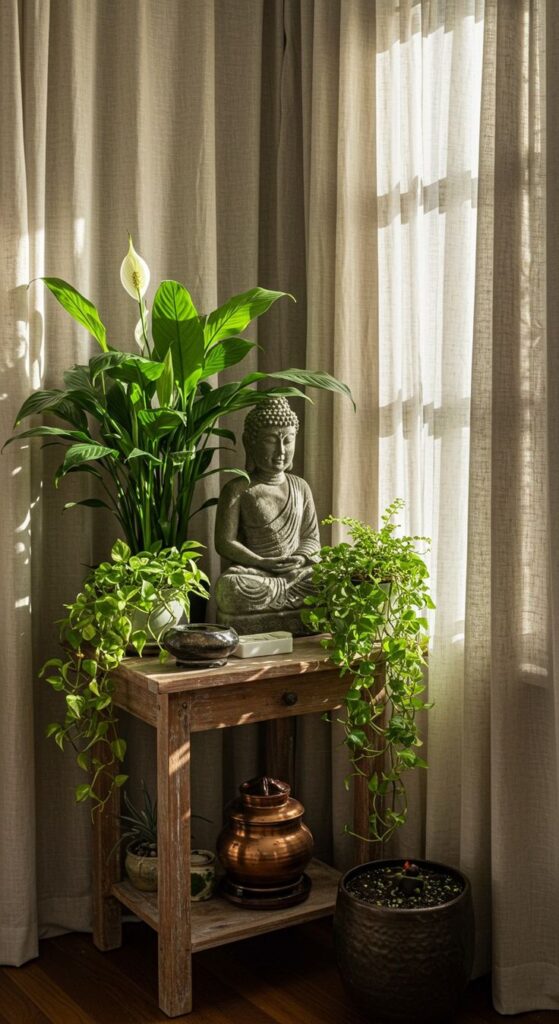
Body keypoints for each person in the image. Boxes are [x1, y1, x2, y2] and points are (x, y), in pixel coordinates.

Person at [214, 397, 320, 629]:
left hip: (295, 576)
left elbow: (311, 538)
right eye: (271, 441)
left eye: (288, 440)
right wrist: (262, 562)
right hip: (254, 574)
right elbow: (224, 542)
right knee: (230, 587)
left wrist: (299, 558)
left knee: (326, 578)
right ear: (249, 443)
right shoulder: (238, 489)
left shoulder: (300, 486)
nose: (281, 451)